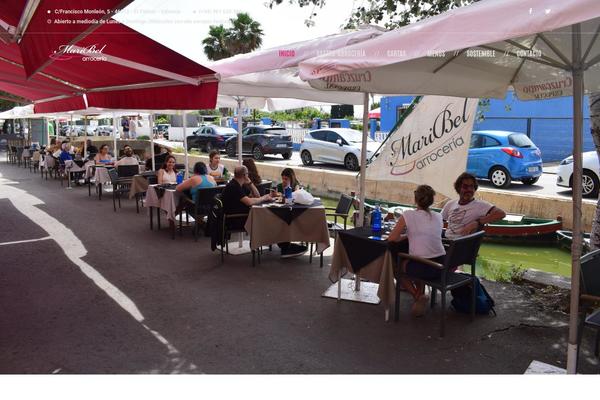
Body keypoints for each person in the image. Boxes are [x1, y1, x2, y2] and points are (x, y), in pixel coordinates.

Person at [388, 185, 446, 317]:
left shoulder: (408, 215)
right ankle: (420, 294)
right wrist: (407, 235)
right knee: (417, 258)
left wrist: (403, 235)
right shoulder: (438, 216)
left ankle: (417, 296)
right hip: (442, 265)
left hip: (425, 268)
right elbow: (426, 234)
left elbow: (392, 238)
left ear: (415, 199)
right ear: (431, 200)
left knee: (397, 266)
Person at [442, 172, 506, 239]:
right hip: (446, 239)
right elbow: (440, 220)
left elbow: (501, 214)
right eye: (465, 187)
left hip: (462, 242)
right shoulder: (450, 204)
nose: (469, 190)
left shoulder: (480, 205)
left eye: (471, 186)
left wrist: (477, 222)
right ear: (458, 188)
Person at [274, 168, 307, 258]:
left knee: (285, 222)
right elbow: (277, 197)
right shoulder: (279, 186)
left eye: (286, 179)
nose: (284, 181)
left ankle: (285, 245)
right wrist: (276, 195)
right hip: (282, 211)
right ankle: (284, 245)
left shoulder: (295, 186)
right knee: (279, 221)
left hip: (294, 213)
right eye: (283, 178)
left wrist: (285, 194)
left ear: (291, 178)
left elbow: (295, 197)